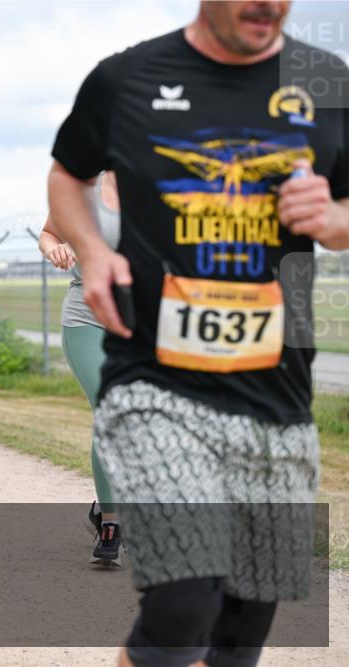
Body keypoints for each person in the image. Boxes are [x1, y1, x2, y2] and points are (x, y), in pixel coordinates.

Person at [48, 2, 349, 666]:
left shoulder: (328, 84)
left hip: (276, 393)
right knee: (182, 608)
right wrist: (94, 254)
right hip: (156, 382)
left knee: (242, 631)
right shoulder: (126, 79)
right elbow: (69, 176)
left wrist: (332, 219)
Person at [39, 170, 123, 566]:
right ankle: (111, 524)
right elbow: (49, 233)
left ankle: (107, 502)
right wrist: (53, 248)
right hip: (86, 317)